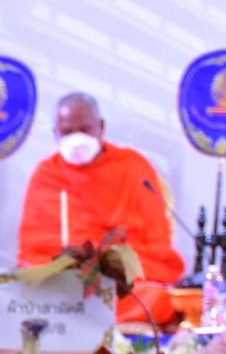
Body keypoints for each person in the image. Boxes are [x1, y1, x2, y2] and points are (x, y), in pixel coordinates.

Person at [16, 92, 185, 328]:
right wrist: (67, 264)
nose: (77, 139)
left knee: (156, 300)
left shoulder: (132, 166)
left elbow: (156, 246)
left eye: (85, 130)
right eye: (67, 132)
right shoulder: (46, 174)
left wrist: (110, 263)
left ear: (101, 127)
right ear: (56, 133)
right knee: (25, 298)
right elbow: (33, 250)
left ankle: (83, 317)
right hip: (65, 285)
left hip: (120, 285)